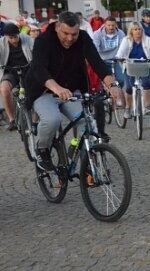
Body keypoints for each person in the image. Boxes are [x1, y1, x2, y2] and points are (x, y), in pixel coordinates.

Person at [26, 11, 119, 171]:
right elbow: (39, 69)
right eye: (65, 33)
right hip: (43, 91)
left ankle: (87, 165)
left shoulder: (83, 38)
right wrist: (57, 88)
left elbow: (96, 62)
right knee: (52, 119)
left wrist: (112, 84)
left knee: (87, 123)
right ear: (57, 27)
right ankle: (42, 150)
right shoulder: (44, 40)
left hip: (71, 90)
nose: (70, 38)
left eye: (74, 34)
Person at [115, 22, 150, 117]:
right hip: (130, 65)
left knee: (147, 84)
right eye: (135, 29)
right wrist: (119, 57)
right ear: (131, 31)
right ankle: (128, 108)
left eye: (139, 29)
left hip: (144, 65)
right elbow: (121, 51)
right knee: (128, 88)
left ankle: (147, 106)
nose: (138, 31)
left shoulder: (148, 39)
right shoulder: (126, 40)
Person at [0, 24, 34, 131]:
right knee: (4, 89)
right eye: (11, 38)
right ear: (5, 36)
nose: (14, 40)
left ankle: (35, 120)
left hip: (27, 69)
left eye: (16, 36)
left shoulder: (27, 39)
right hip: (9, 71)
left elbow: (36, 52)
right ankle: (12, 120)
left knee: (37, 87)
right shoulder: (1, 43)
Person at [91, 16, 126, 91]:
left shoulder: (120, 33)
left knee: (121, 79)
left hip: (115, 60)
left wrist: (123, 57)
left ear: (115, 25)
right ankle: (104, 93)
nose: (111, 27)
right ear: (105, 25)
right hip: (102, 60)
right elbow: (94, 49)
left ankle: (118, 94)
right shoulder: (97, 34)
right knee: (104, 81)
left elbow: (123, 47)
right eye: (109, 25)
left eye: (113, 25)